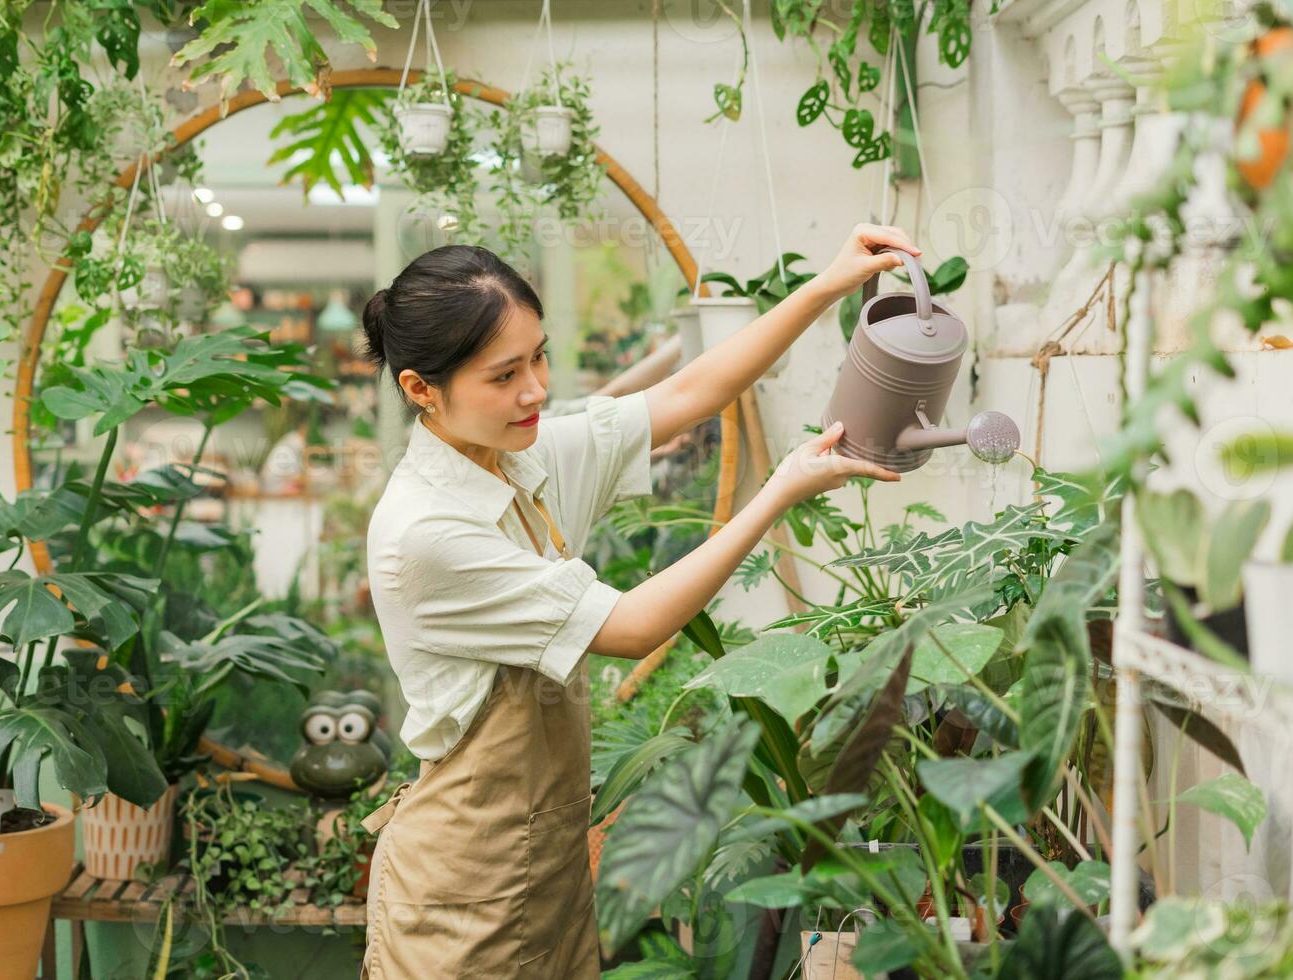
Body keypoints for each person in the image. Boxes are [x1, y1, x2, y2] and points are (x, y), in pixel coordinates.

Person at [358, 226, 918, 979]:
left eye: (538, 356)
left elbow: (690, 392)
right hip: (460, 894)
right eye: (502, 376)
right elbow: (631, 627)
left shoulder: (517, 453)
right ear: (420, 390)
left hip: (546, 865)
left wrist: (827, 284)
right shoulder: (425, 532)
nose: (534, 389)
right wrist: (775, 492)